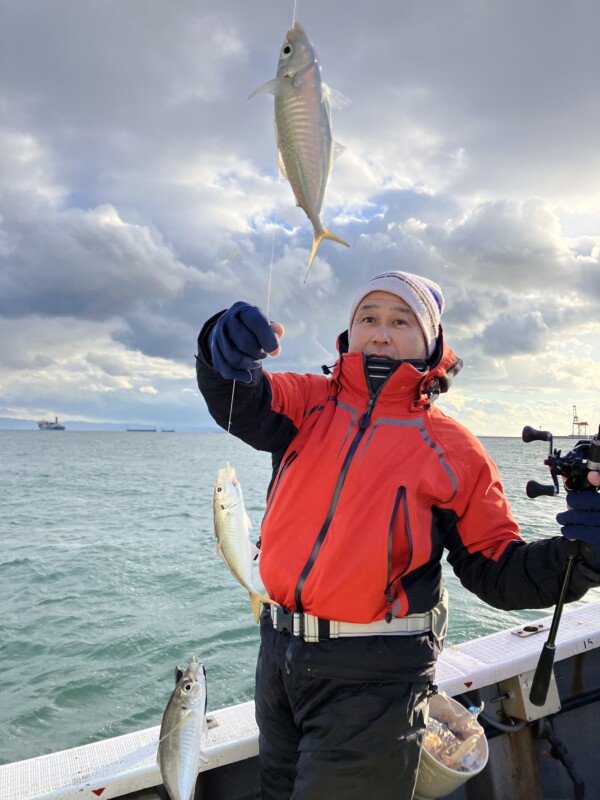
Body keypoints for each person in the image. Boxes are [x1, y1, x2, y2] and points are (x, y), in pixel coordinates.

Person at [196, 270, 600, 800]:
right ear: (349, 332)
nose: (380, 332)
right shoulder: (307, 401)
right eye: (368, 318)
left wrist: (584, 555)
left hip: (377, 679)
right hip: (277, 657)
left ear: (430, 342)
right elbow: (240, 397)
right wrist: (216, 346)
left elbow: (497, 568)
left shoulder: (453, 449)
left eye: (400, 320)